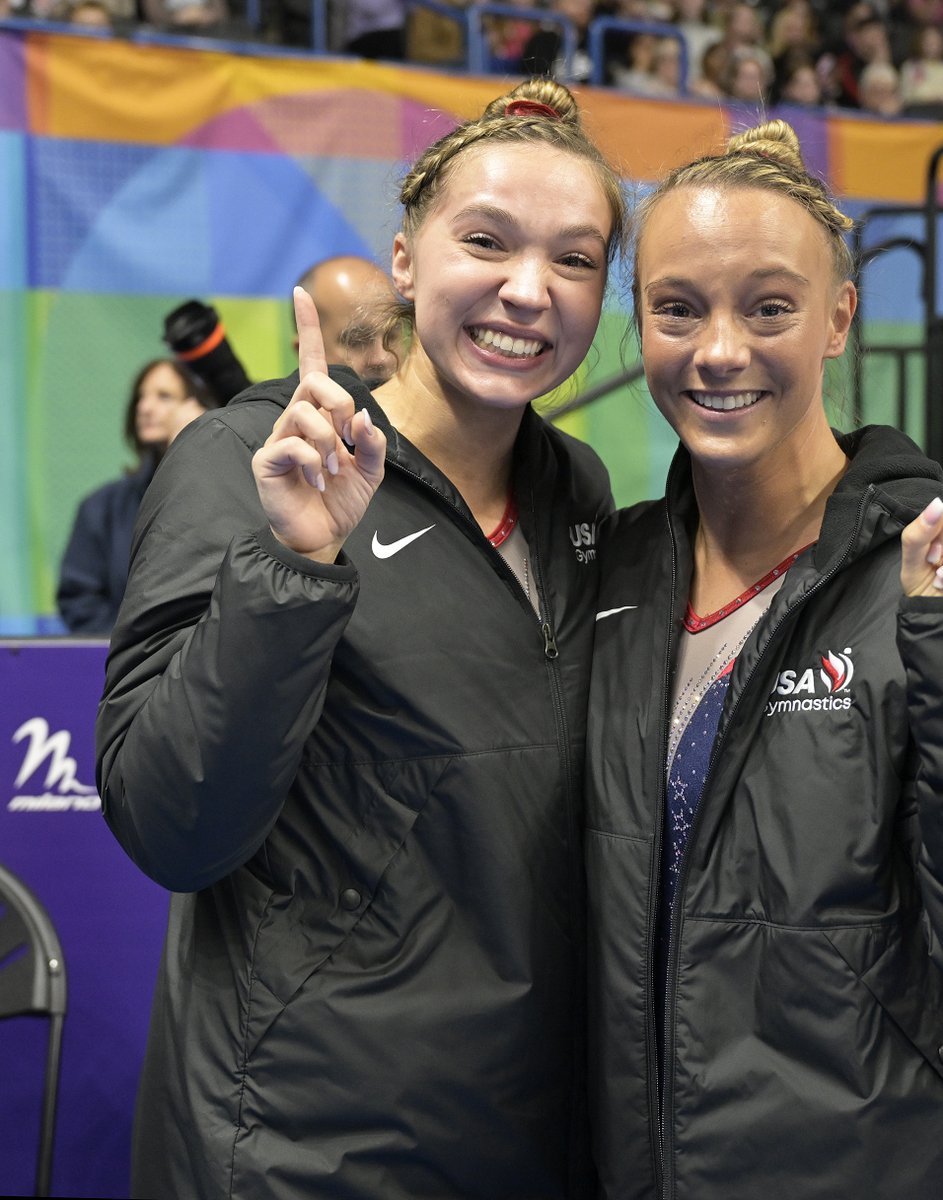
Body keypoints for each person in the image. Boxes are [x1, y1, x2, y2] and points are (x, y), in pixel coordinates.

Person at [96, 78, 625, 1199]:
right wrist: (295, 564)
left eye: (575, 260)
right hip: (306, 1143)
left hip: (526, 1128)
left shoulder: (574, 488)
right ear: (404, 260)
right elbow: (170, 822)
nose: (528, 291)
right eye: (485, 240)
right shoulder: (251, 462)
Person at [584, 119, 943, 1197]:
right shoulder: (615, 575)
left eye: (768, 306)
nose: (718, 349)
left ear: (838, 318)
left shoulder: (936, 583)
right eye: (678, 308)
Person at [57, 358, 214, 634]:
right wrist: (129, 652)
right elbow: (79, 601)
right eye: (141, 398)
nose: (145, 407)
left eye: (164, 396)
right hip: (123, 668)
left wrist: (198, 442)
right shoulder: (101, 508)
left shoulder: (223, 498)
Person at [294, 254, 402, 388]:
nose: (382, 358)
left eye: (391, 337)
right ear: (303, 350)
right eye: (358, 341)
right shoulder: (273, 406)